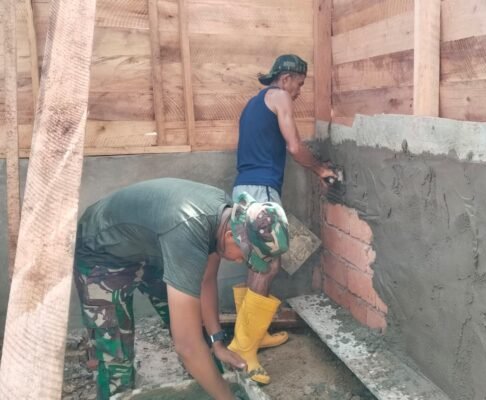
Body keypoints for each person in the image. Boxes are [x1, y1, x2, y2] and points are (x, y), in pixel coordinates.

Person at [73, 178, 289, 399]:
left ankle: (210, 388)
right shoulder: (189, 231)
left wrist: (217, 342)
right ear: (231, 236)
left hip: (152, 248)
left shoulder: (227, 217)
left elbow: (206, 280)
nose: (239, 261)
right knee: (116, 360)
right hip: (102, 252)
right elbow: (186, 346)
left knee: (200, 337)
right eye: (245, 255)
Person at [229, 54, 337, 384]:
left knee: (257, 262)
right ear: (286, 78)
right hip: (261, 191)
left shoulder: (254, 103)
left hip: (244, 190)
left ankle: (254, 334)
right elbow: (294, 146)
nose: (299, 92)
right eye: (299, 84)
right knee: (268, 265)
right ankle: (244, 349)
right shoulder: (278, 96)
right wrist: (320, 169)